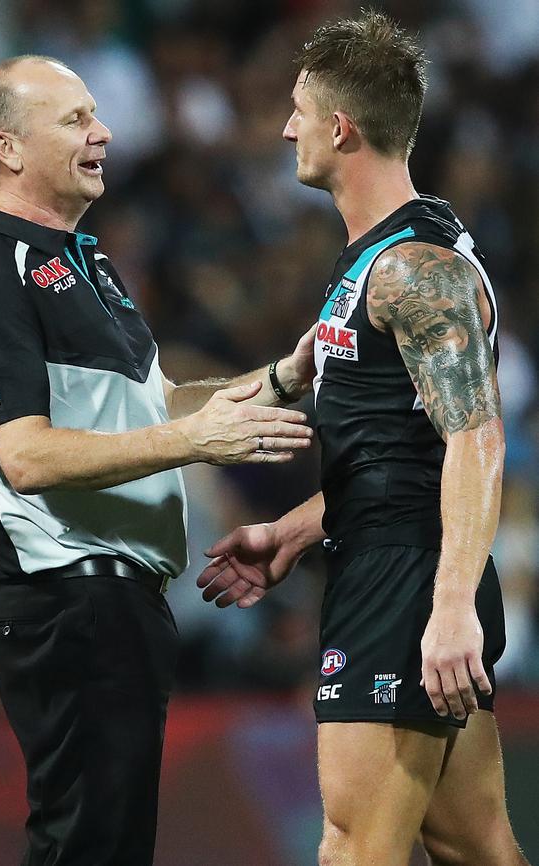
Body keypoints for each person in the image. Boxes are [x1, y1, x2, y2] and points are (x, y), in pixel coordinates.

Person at [0, 55, 316, 866]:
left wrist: (284, 376)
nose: (102, 131)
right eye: (74, 119)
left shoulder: (84, 265)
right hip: (68, 603)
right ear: (5, 146)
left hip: (118, 608)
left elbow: (161, 404)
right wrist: (194, 443)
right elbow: (25, 456)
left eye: (95, 114)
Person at [197, 12, 531, 866]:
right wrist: (295, 531)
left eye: (299, 110)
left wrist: (450, 606)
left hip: (408, 582)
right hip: (400, 561)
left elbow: (476, 439)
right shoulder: (381, 260)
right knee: (472, 843)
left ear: (341, 127)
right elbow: (400, 454)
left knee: (353, 849)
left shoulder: (415, 270)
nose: (285, 128)